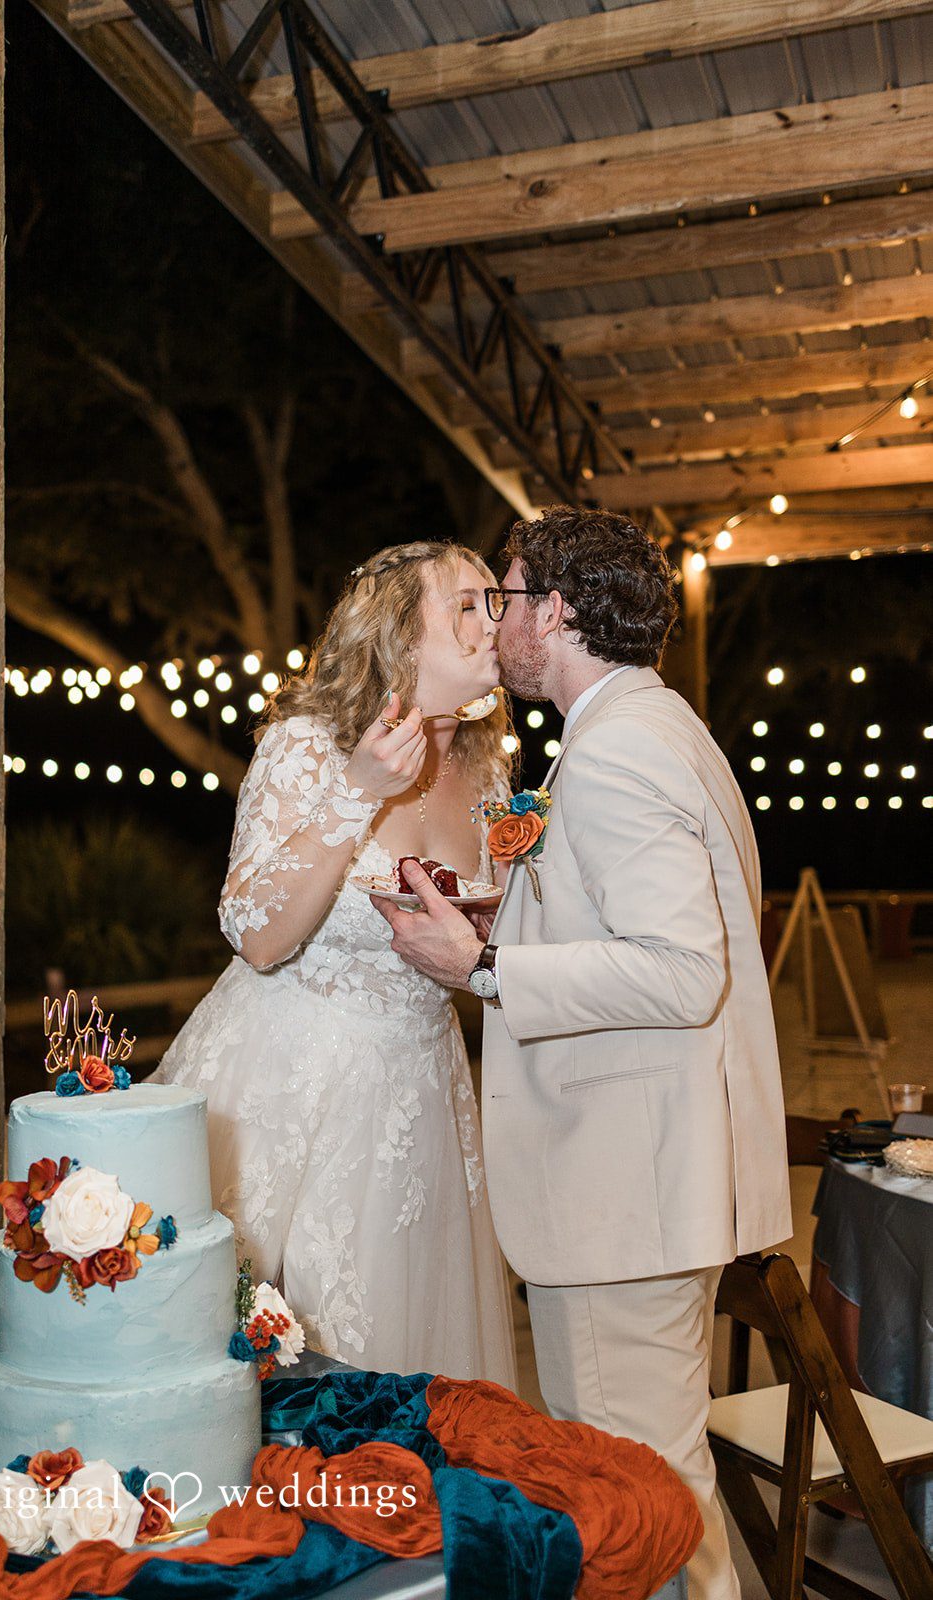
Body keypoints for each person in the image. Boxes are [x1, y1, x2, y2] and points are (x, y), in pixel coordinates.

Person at [375, 507, 792, 1600]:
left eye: (505, 598)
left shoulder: (614, 754)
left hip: (622, 1190)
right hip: (646, 1177)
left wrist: (482, 967)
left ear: (554, 611)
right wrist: (512, 914)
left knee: (634, 1497)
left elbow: (676, 967)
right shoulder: (650, 728)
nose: (497, 622)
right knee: (661, 1479)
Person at [152, 540, 517, 1386]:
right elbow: (257, 936)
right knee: (258, 1358)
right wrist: (355, 790)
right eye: (466, 603)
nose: (491, 618)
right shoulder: (306, 747)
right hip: (285, 1081)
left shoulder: (488, 768)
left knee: (406, 1355)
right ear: (395, 630)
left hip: (419, 1090)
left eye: (496, 600)